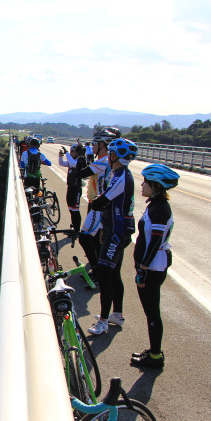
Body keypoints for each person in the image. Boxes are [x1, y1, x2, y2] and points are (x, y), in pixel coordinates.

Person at [130, 164, 180, 368]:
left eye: (146, 182)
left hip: (153, 268)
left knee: (152, 313)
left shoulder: (160, 209)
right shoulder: (155, 205)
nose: (142, 185)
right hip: (151, 267)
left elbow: (155, 242)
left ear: (156, 186)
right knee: (151, 312)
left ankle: (156, 356)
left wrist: (142, 269)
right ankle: (153, 350)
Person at [87, 138, 137, 335]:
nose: (109, 156)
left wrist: (96, 202)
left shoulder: (121, 176)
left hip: (117, 231)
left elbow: (102, 202)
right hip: (115, 229)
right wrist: (103, 230)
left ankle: (104, 321)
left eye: (111, 153)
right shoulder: (119, 174)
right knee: (114, 273)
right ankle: (117, 314)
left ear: (116, 156)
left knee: (105, 274)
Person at [76, 127, 122, 277]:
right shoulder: (105, 161)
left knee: (85, 237)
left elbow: (81, 174)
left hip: (100, 205)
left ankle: (97, 271)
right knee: (96, 239)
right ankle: (99, 269)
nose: (92, 145)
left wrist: (80, 158)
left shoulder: (102, 162)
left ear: (103, 145)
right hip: (101, 204)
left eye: (95, 143)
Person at [58, 142, 88, 232]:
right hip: (70, 187)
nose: (71, 153)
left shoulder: (79, 161)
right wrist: (60, 156)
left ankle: (77, 230)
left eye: (72, 152)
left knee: (75, 210)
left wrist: (66, 153)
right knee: (71, 208)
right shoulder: (72, 161)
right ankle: (74, 226)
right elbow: (61, 163)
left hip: (76, 189)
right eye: (70, 152)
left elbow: (73, 163)